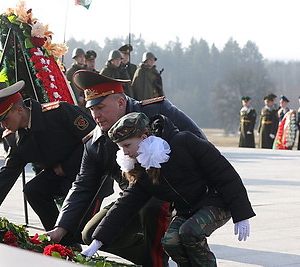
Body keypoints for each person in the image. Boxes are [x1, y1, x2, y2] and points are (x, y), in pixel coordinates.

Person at [47, 70, 206, 267]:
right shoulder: (95, 143)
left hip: (177, 194)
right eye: (92, 109)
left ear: (121, 103)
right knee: (90, 234)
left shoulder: (157, 112)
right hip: (132, 198)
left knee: (152, 207)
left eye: (101, 107)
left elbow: (200, 145)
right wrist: (60, 228)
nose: (96, 116)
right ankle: (154, 254)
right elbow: (83, 185)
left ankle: (157, 258)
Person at [81, 112, 255, 266]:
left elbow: (224, 174)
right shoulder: (143, 167)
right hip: (187, 209)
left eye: (127, 145)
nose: (125, 152)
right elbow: (126, 204)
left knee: (189, 233)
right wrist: (98, 240)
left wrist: (241, 213)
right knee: (170, 242)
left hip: (216, 200)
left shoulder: (184, 142)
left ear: (143, 137)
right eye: (121, 147)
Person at [0, 80, 97, 246]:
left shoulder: (60, 112)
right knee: (33, 190)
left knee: (85, 233)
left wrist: (67, 166)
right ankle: (63, 242)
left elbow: (96, 140)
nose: (3, 125)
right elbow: (6, 174)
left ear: (19, 110)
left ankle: (73, 241)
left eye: (5, 119)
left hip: (91, 174)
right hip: (60, 177)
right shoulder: (14, 137)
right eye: (0, 121)